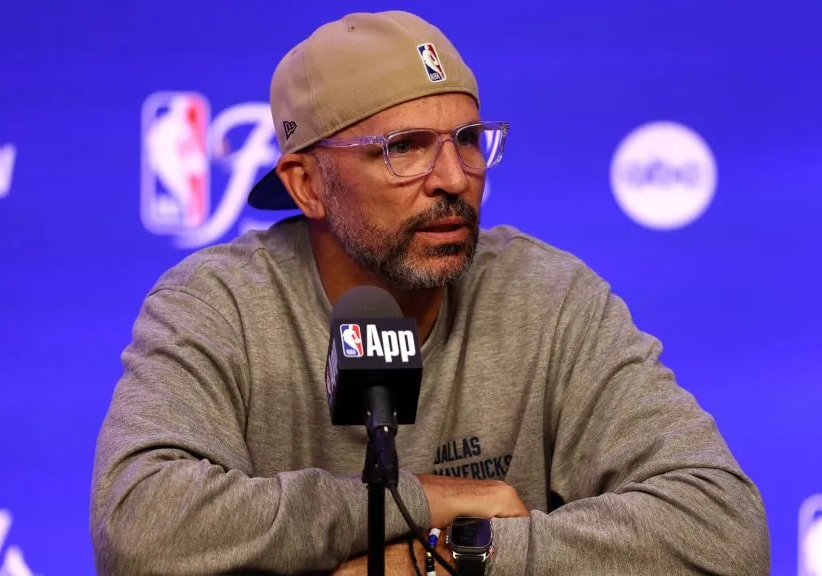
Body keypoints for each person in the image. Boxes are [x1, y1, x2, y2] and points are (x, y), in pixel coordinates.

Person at [89, 9, 771, 576]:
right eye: (406, 147)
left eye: (469, 141)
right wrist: (422, 500)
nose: (454, 177)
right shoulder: (219, 304)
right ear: (305, 185)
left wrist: (441, 560)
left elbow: (722, 526)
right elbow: (142, 527)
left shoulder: (548, 297)